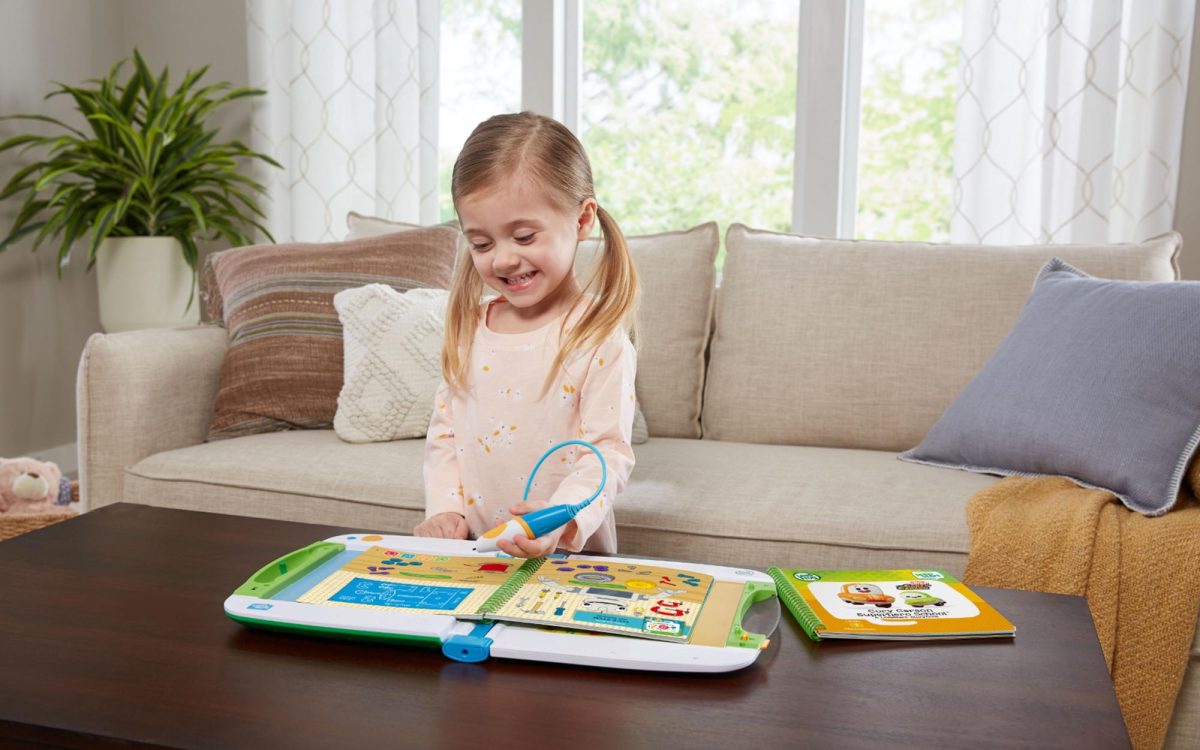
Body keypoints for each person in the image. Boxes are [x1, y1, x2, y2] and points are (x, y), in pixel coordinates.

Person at [415, 111, 640, 558]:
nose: (502, 260)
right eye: (481, 244)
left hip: (568, 559)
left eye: (522, 236)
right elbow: (446, 434)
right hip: (479, 554)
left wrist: (558, 517)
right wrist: (446, 509)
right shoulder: (470, 330)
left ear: (581, 220)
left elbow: (607, 453)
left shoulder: (598, 338)